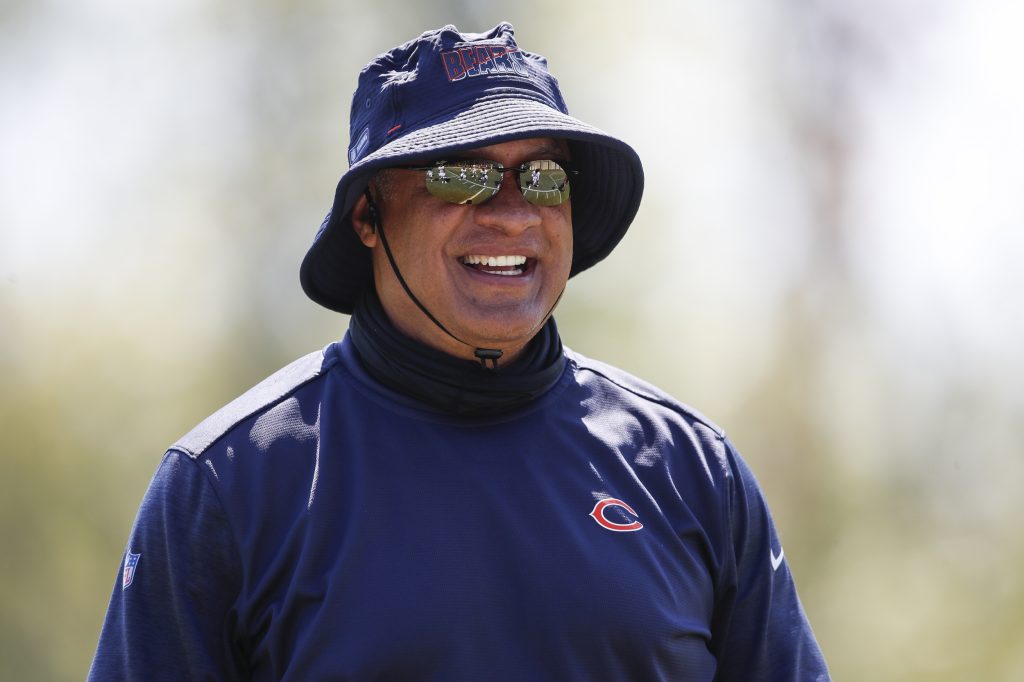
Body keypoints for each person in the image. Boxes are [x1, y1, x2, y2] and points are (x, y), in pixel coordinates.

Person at [88, 23, 830, 681]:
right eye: (463, 174)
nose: (512, 215)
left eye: (543, 177)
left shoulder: (694, 470)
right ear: (368, 216)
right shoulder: (227, 483)